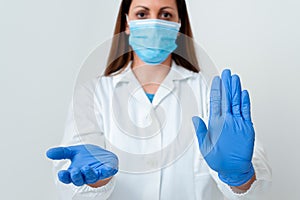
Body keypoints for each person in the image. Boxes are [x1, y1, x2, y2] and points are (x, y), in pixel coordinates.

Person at [46, 0, 272, 199]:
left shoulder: (209, 92)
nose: (154, 24)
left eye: (165, 15)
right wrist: (95, 180)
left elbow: (256, 191)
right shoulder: (93, 93)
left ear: (179, 25)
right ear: (126, 23)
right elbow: (73, 189)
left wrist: (238, 177)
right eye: (142, 14)